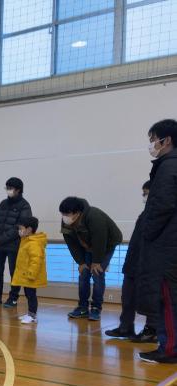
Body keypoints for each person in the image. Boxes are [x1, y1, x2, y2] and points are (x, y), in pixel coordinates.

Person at [137, 119, 177, 363]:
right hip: (168, 245)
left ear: (167, 140)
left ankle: (170, 348)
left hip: (166, 248)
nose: (152, 145)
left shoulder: (169, 168)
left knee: (168, 299)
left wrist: (147, 233)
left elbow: (161, 207)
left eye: (153, 139)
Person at [105, 181, 157, 342]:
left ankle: (151, 330)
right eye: (143, 193)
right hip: (133, 263)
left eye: (146, 193)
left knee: (151, 299)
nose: (144, 197)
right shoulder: (144, 214)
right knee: (127, 297)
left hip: (149, 265)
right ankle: (125, 327)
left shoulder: (160, 214)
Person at [59, 197, 123, 322]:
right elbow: (71, 243)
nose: (64, 217)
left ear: (77, 212)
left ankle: (96, 308)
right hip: (87, 246)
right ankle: (82, 307)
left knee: (97, 273)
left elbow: (100, 239)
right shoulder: (66, 221)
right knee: (84, 274)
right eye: (62, 214)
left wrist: (97, 261)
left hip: (106, 245)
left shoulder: (94, 216)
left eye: (67, 214)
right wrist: (81, 262)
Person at [0, 177, 32, 308]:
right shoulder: (3, 204)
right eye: (6, 188)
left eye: (10, 188)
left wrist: (0, 239)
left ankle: (13, 298)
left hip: (14, 246)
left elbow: (19, 227)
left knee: (14, 273)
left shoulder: (24, 206)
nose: (8, 190)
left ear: (18, 190)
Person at [11, 217, 47, 324]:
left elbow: (36, 260)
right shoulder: (25, 241)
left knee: (31, 295)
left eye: (21, 228)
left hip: (31, 276)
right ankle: (30, 313)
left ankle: (32, 315)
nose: (19, 231)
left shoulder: (34, 243)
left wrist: (31, 274)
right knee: (28, 294)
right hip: (26, 276)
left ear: (29, 229)